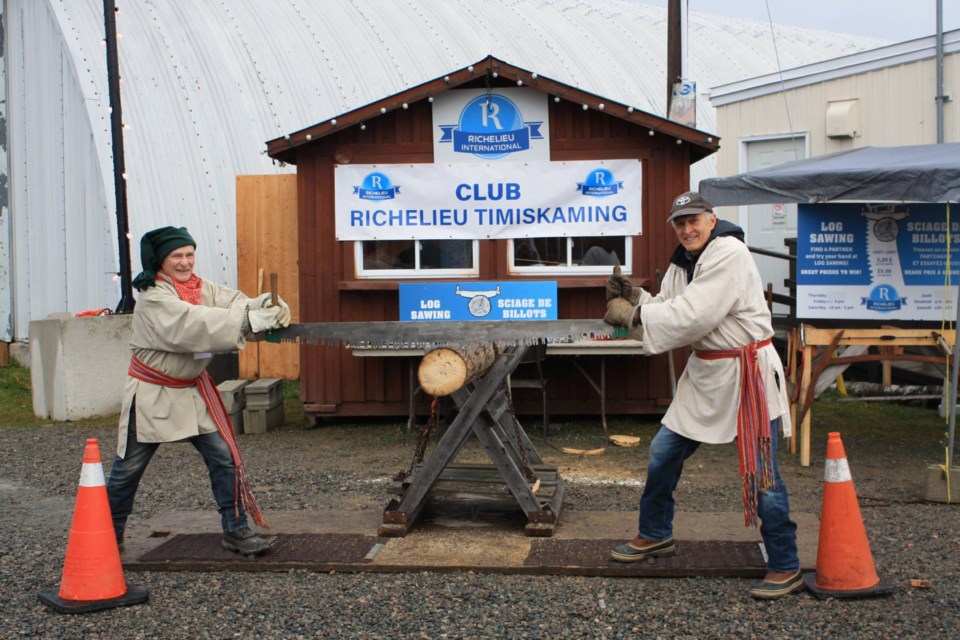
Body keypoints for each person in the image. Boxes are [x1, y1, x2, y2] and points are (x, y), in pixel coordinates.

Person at [603, 192, 801, 600]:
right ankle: (655, 533)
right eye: (680, 223)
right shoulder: (683, 261)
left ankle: (785, 563)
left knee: (762, 474)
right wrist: (637, 297)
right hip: (707, 374)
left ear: (712, 219)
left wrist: (634, 315)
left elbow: (693, 316)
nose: (687, 229)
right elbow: (672, 306)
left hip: (747, 375)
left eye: (694, 220)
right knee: (663, 453)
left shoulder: (729, 252)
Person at [106, 226, 291, 556]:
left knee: (224, 458)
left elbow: (233, 302)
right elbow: (193, 324)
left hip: (191, 391)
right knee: (127, 471)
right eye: (176, 256)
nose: (184, 262)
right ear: (160, 261)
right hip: (154, 394)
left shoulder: (197, 288)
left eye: (189, 254)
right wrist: (250, 320)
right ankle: (107, 534)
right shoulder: (154, 297)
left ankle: (235, 530)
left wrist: (267, 304)